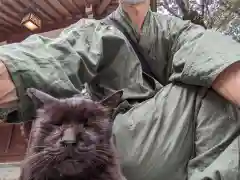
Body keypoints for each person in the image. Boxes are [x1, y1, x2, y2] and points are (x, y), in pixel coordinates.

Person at [0, 0, 240, 179]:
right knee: (210, 79)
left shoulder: (178, 30)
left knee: (214, 68)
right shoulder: (98, 31)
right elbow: (65, 53)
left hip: (179, 140)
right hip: (112, 144)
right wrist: (12, 71)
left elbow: (205, 48)